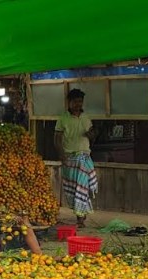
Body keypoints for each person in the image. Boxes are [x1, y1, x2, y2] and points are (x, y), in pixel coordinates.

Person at [55, 88, 98, 228]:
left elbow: (92, 136)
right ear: (69, 102)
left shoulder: (86, 118)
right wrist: (62, 157)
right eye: (75, 102)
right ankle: (79, 215)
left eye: (80, 102)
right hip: (70, 158)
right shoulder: (62, 119)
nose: (78, 104)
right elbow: (57, 139)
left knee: (82, 188)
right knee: (73, 189)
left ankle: (81, 218)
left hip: (84, 158)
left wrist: (92, 134)